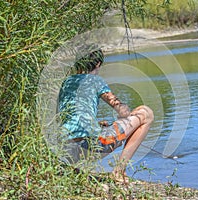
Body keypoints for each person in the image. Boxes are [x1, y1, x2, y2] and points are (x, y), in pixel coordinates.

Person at [57, 46, 154, 182]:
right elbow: (122, 111)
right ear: (97, 64)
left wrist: (97, 124)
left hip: (65, 150)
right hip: (90, 148)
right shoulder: (96, 80)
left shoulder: (66, 83)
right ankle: (119, 171)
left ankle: (74, 168)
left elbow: (66, 118)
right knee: (146, 113)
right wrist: (128, 114)